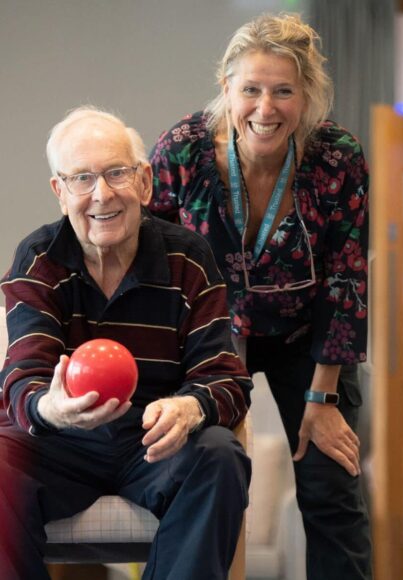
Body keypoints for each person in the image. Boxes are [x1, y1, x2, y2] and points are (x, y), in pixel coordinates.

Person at [148, 13, 371, 579]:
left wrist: (322, 403)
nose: (265, 109)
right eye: (251, 89)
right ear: (227, 87)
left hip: (305, 337)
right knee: (211, 479)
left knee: (332, 488)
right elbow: (152, 262)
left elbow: (346, 279)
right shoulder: (181, 152)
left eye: (283, 91)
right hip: (210, 341)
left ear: (308, 96)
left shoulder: (336, 158)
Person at [0, 107, 252, 579]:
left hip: (155, 442)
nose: (102, 194)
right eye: (82, 178)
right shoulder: (38, 260)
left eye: (117, 173)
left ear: (144, 183)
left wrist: (189, 409)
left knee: (220, 453)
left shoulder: (189, 259)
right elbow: (21, 377)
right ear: (60, 192)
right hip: (61, 441)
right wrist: (49, 408)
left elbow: (225, 377)